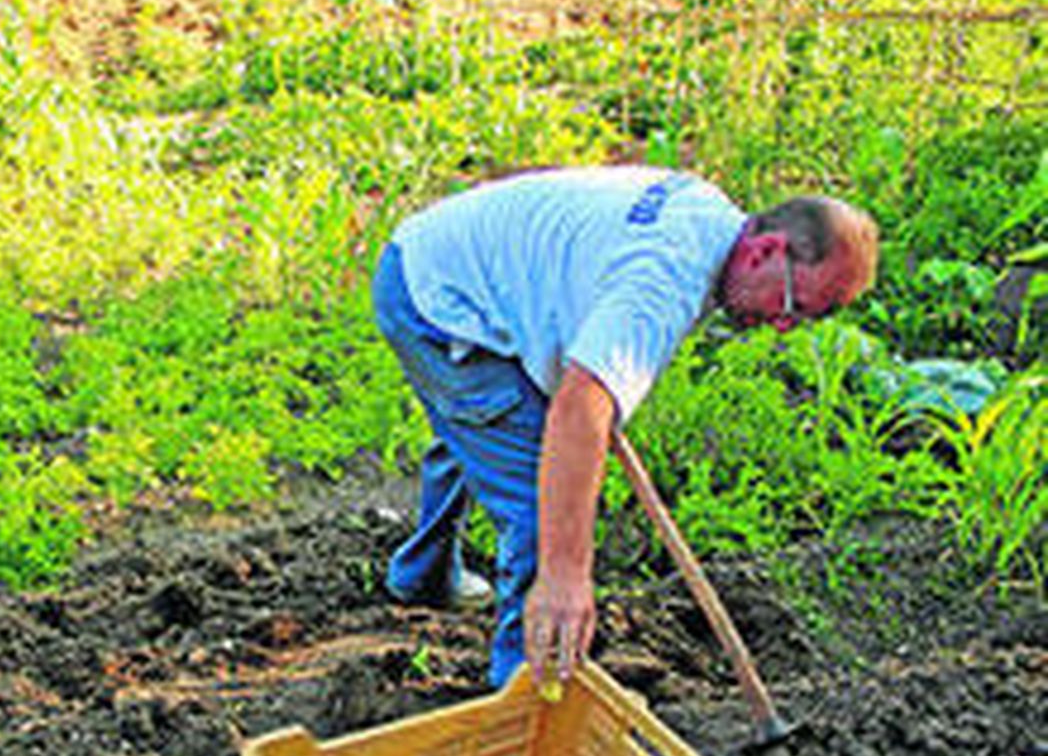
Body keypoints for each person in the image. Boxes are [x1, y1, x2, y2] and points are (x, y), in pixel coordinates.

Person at [374, 166, 879, 690]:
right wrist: (566, 575)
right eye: (793, 307)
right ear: (766, 251)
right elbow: (580, 406)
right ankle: (527, 686)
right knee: (535, 493)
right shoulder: (665, 282)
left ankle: (422, 573)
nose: (781, 326)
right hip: (438, 302)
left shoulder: (707, 213)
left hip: (442, 254)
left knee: (480, 430)